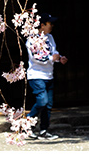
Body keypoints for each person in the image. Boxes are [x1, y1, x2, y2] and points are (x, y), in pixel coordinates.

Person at [25, 12, 67, 141]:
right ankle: (26, 124)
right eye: (50, 23)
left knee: (48, 104)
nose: (52, 26)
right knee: (42, 101)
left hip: (49, 74)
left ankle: (44, 130)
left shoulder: (50, 37)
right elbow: (36, 57)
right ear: (42, 25)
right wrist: (51, 58)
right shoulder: (31, 39)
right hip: (36, 75)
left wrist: (59, 58)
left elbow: (54, 51)